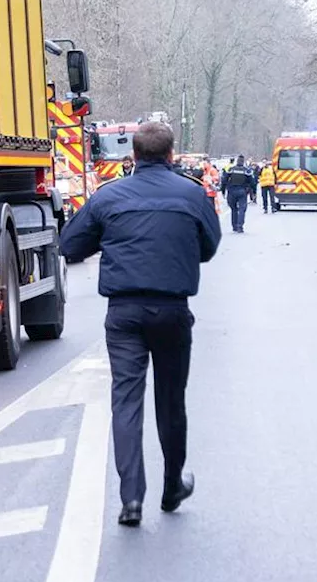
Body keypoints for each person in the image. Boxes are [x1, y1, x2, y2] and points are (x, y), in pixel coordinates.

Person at [59, 122, 221, 527]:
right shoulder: (192, 193)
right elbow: (209, 246)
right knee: (171, 400)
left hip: (125, 313)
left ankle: (131, 499)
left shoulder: (108, 196)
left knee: (126, 401)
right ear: (171, 155)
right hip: (171, 310)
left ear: (133, 156)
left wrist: (111, 238)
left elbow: (70, 244)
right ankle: (171, 487)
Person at [220, 155, 254, 233]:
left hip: (231, 191)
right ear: (243, 161)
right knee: (242, 209)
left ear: (237, 161)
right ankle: (240, 226)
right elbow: (252, 183)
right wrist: (252, 192)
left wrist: (223, 191)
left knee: (233, 209)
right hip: (242, 191)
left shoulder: (231, 169)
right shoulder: (246, 170)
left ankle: (234, 226)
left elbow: (224, 180)